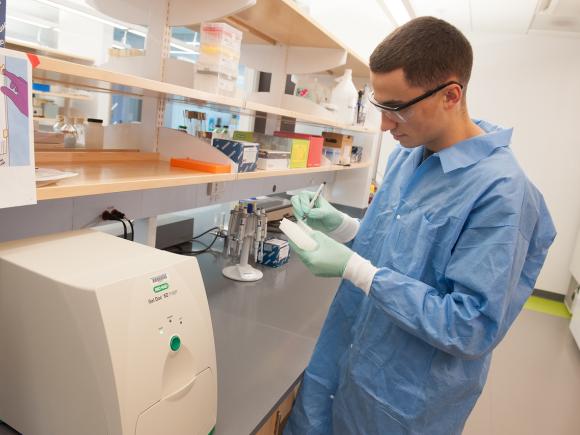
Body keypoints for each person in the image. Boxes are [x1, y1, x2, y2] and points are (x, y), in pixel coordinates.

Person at [284, 16, 556, 435]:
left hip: (403, 396)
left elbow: (470, 326)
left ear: (450, 95)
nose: (384, 125)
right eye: (380, 106)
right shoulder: (407, 155)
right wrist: (341, 227)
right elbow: (402, 253)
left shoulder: (502, 193)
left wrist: (353, 268)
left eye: (396, 109)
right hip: (349, 355)